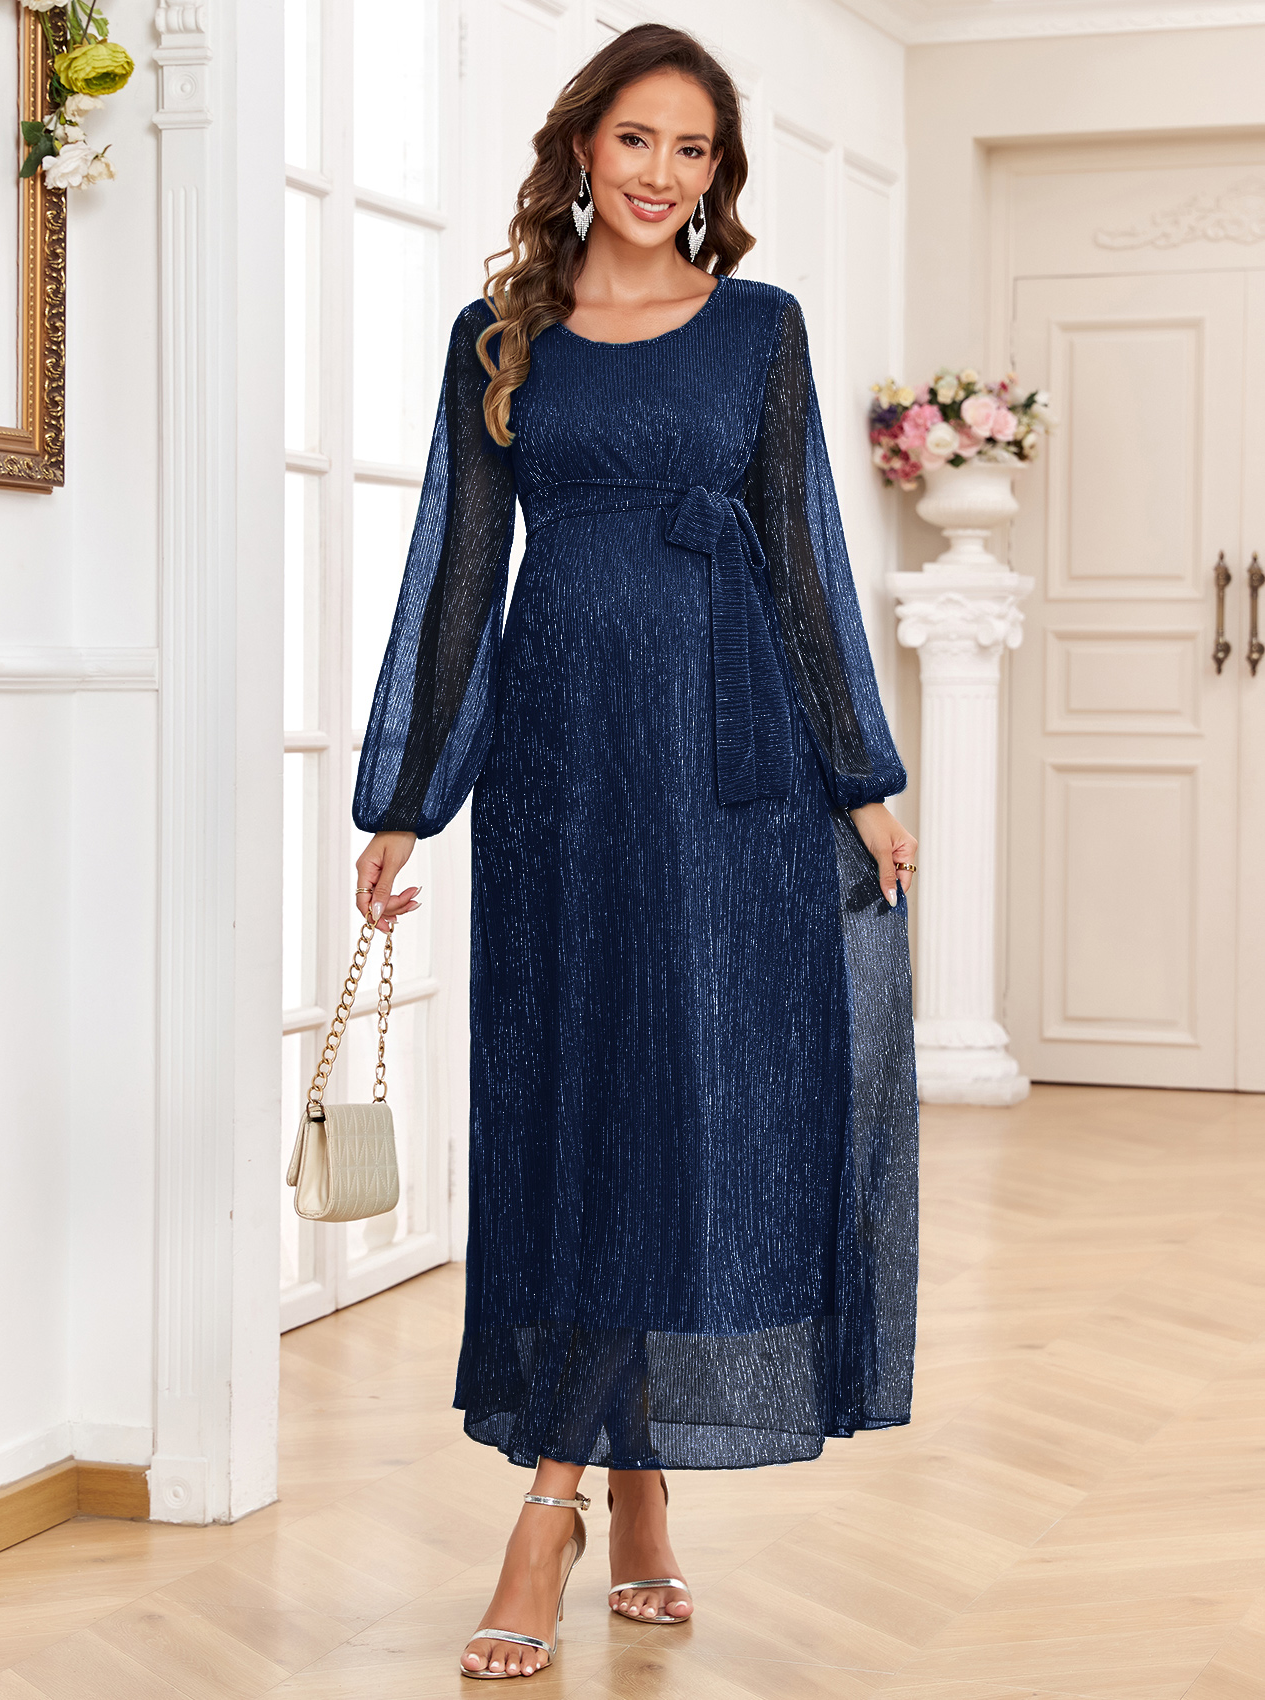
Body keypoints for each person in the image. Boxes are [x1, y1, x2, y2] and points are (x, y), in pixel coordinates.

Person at [352, 23, 919, 1682]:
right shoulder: (499, 339)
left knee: (688, 1107)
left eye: (695, 150)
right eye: (638, 140)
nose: (665, 174)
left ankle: (574, 1499)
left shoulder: (759, 329)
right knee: (580, 1105)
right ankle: (619, 1483)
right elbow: (457, 575)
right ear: (582, 149)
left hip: (732, 772)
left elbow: (807, 558)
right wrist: (407, 794)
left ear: (716, 175)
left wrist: (862, 779)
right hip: (562, 771)